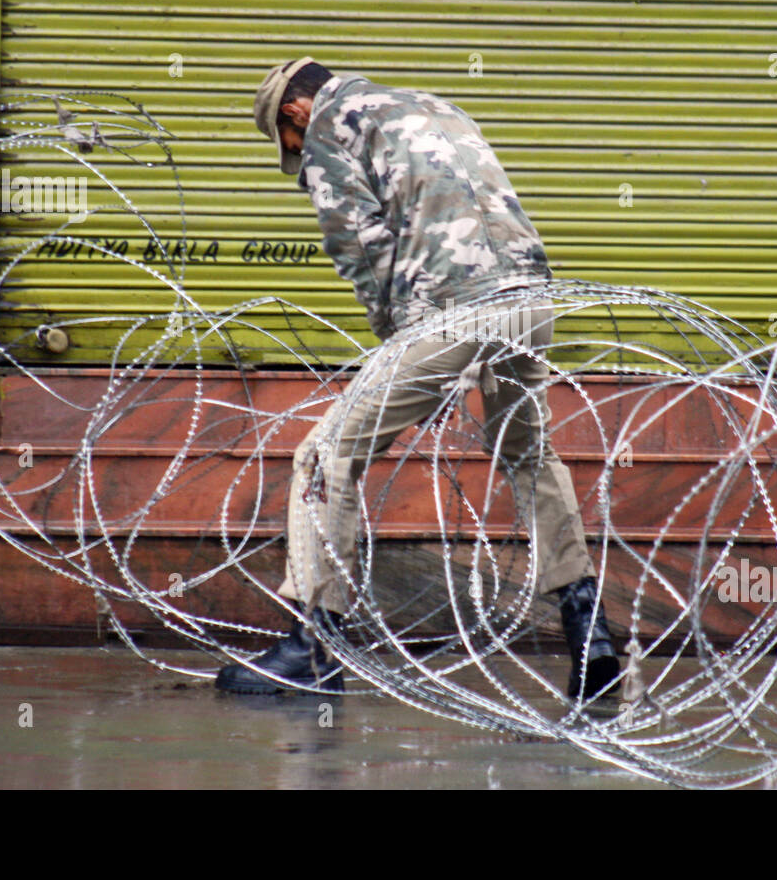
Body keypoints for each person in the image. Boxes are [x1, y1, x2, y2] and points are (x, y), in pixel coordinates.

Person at [215, 57, 620, 702]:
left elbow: (361, 248)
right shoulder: (433, 104)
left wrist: (396, 351)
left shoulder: (329, 129)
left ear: (294, 112)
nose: (296, 153)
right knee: (527, 452)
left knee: (326, 451)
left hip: (455, 305)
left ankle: (314, 645)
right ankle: (590, 630)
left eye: (287, 143)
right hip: (531, 297)